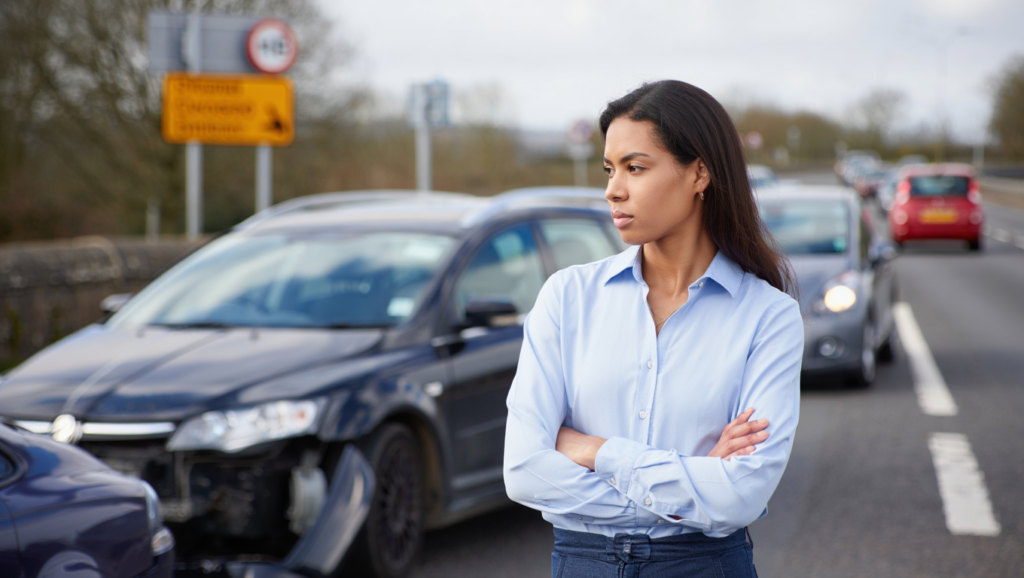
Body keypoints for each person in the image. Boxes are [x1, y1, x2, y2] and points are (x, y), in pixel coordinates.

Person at [502, 80, 804, 577]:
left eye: (635, 168)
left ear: (699, 173)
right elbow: (523, 470)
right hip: (583, 565)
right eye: (609, 169)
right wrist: (691, 476)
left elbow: (741, 495)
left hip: (703, 567)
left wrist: (594, 450)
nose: (612, 189)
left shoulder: (767, 316)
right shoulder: (567, 297)